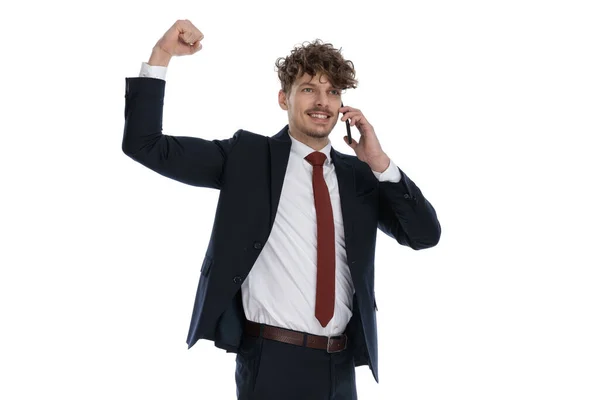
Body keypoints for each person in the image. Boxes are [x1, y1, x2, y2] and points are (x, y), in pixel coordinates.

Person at [122, 19, 441, 400]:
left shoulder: (360, 176)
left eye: (332, 91)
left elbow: (425, 235)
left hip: (340, 365)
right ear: (283, 98)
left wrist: (382, 164)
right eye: (309, 89)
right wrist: (161, 56)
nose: (322, 101)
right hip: (271, 361)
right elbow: (145, 145)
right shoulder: (248, 158)